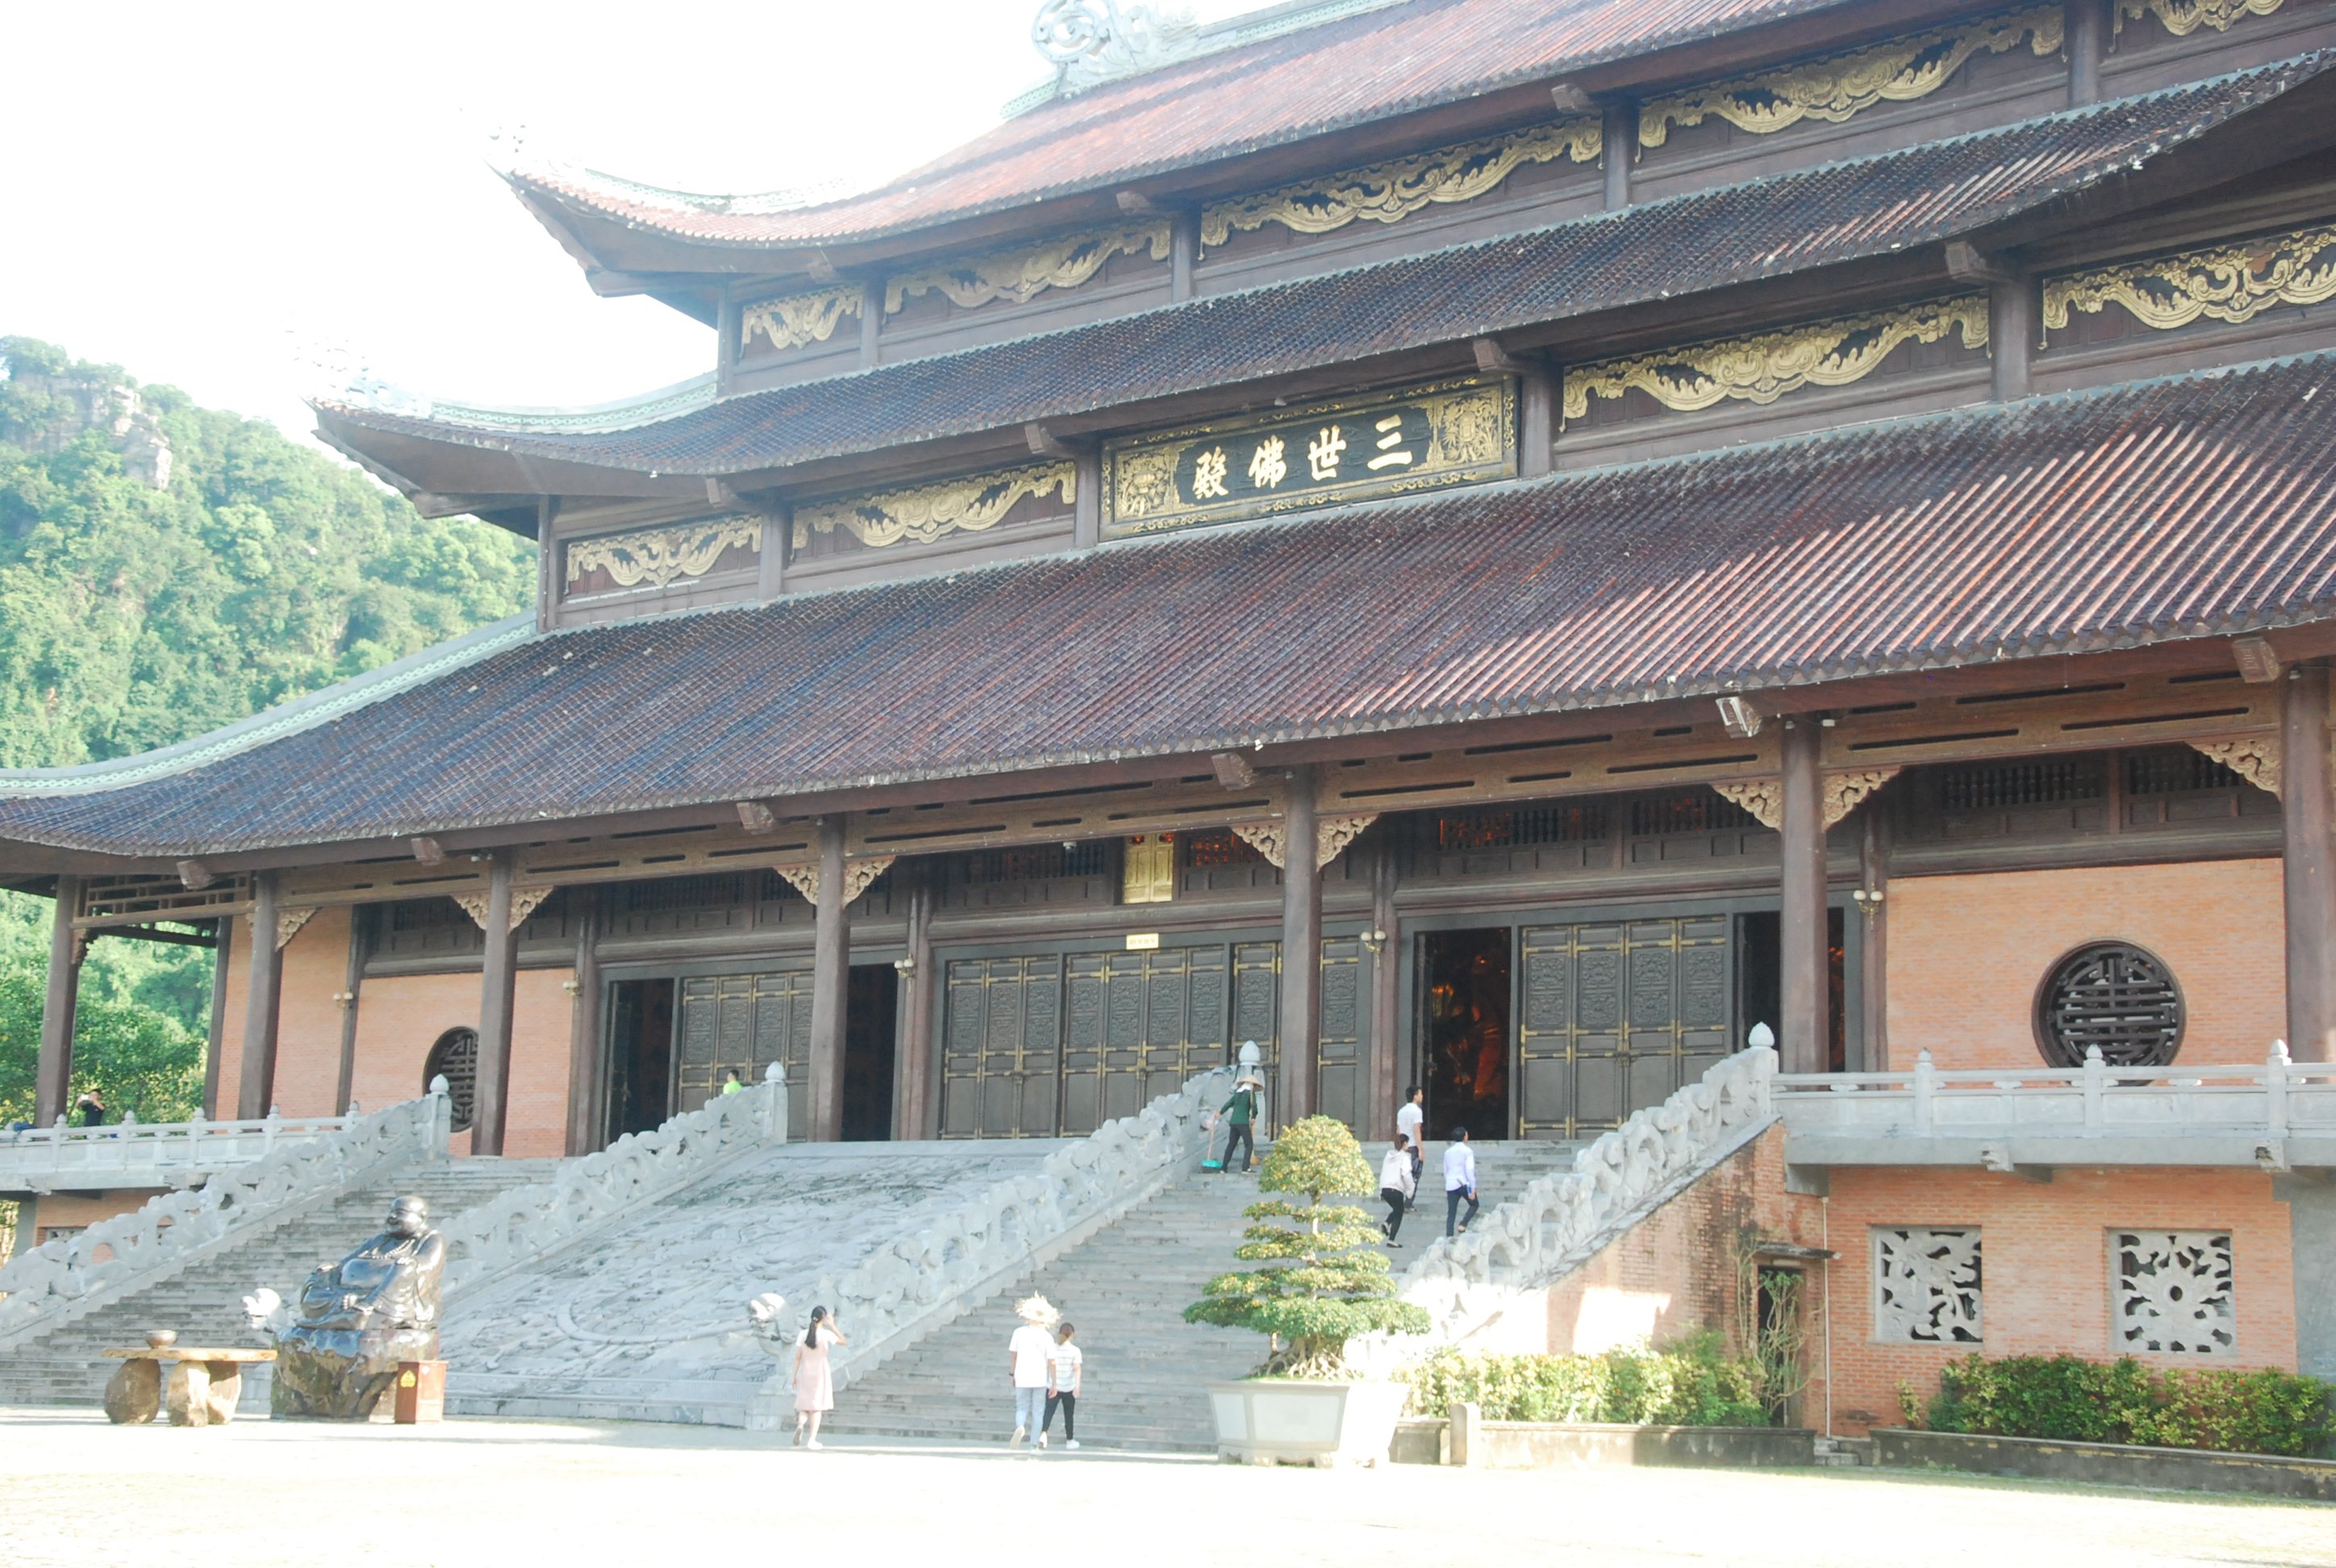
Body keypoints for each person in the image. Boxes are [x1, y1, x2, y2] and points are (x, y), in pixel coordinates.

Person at [792, 1304, 845, 1449]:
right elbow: (843, 1341)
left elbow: (798, 1357)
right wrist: (833, 1325)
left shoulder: (803, 1334)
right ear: (823, 1318)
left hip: (806, 1370)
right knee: (817, 1407)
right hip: (821, 1370)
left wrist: (794, 1376)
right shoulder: (826, 1334)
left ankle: (801, 1425)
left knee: (805, 1404)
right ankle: (812, 1440)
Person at [1008, 1295, 1057, 1448]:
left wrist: (1012, 1373)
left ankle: (1020, 1426)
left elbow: (1014, 1356)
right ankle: (1034, 1443)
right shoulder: (1047, 1337)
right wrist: (1054, 1382)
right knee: (1038, 1411)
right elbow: (1052, 1361)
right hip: (1040, 1378)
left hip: (1022, 1375)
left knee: (1021, 1406)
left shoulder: (1019, 1333)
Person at [1041, 1320, 1082, 1451]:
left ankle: (1043, 1434)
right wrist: (1077, 1386)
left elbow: (1047, 1364)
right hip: (1068, 1386)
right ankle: (1069, 1440)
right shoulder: (1075, 1350)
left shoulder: (1052, 1347)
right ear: (1072, 1335)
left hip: (1053, 1386)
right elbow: (1077, 1369)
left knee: (1048, 1412)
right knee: (1069, 1415)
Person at [1216, 1074, 1262, 1176]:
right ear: (1252, 1085)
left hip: (1233, 1122)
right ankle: (1245, 1167)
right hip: (1243, 1122)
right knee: (1249, 1144)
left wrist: (1220, 1113)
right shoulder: (1250, 1094)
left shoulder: (1237, 1094)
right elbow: (1254, 1107)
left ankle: (1223, 1168)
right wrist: (1254, 1117)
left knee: (1231, 1145)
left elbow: (1228, 1104)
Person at [1379, 1134, 1416, 1245]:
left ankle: (1387, 1223)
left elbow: (1384, 1172)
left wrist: (1381, 1190)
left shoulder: (1388, 1156)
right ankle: (1392, 1240)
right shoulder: (1405, 1157)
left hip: (1385, 1188)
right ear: (1404, 1144)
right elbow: (1406, 1174)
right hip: (1396, 1188)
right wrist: (1410, 1189)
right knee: (1399, 1212)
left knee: (1397, 1209)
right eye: (1407, 1143)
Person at [1444, 1126, 1479, 1237]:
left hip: (1451, 1184)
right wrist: (1473, 1188)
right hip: (1463, 1183)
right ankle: (1463, 1223)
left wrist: (1448, 1181)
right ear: (1465, 1137)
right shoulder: (1467, 1151)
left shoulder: (1448, 1152)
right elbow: (1469, 1170)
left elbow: (1446, 1170)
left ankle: (1449, 1236)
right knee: (1474, 1204)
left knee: (1451, 1212)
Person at [1395, 1086, 1425, 1209]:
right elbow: (1416, 1130)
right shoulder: (1417, 1111)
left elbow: (1398, 1131)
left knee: (1403, 1175)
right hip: (1413, 1146)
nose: (1422, 1096)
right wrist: (1421, 1149)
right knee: (1414, 1176)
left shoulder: (1401, 1111)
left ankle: (1400, 1200)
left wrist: (1399, 1147)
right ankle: (1408, 1202)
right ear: (1415, 1096)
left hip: (1403, 1147)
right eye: (1420, 1094)